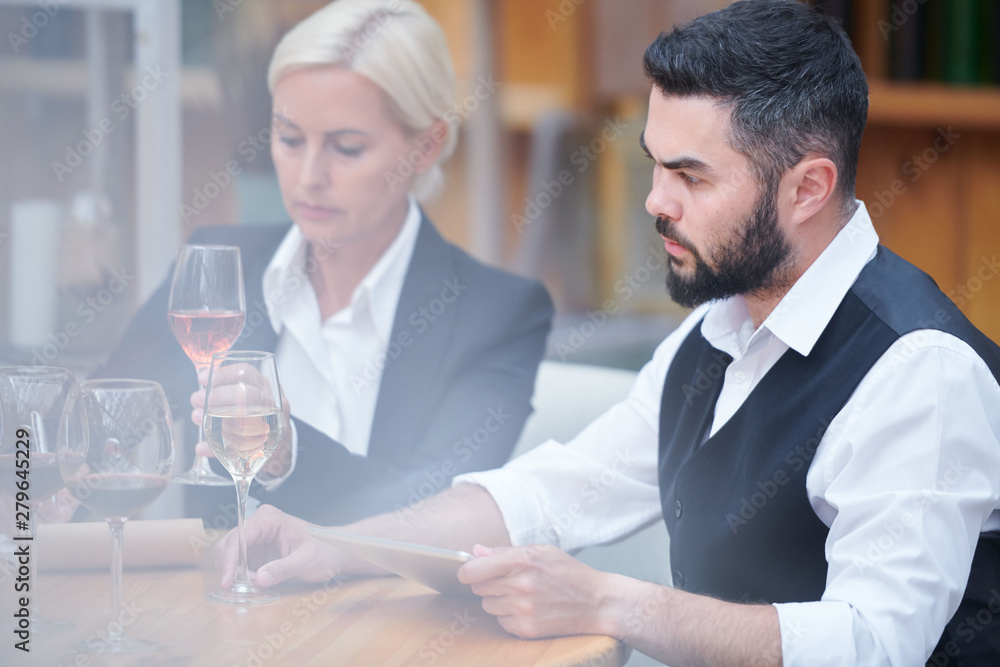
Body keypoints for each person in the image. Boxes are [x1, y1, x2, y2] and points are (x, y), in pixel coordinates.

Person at [213, 1, 1000, 665]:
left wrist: (610, 601)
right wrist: (340, 543)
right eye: (654, 164)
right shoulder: (720, 328)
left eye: (691, 176)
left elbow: (873, 640)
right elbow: (551, 491)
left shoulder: (920, 369)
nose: (655, 200)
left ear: (809, 188)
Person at [94, 0, 553, 527]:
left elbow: (442, 513)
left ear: (426, 147)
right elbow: (107, 422)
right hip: (217, 604)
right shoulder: (221, 266)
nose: (308, 175)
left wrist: (286, 452)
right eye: (289, 138)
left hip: (393, 609)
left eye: (347, 147)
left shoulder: (495, 313)